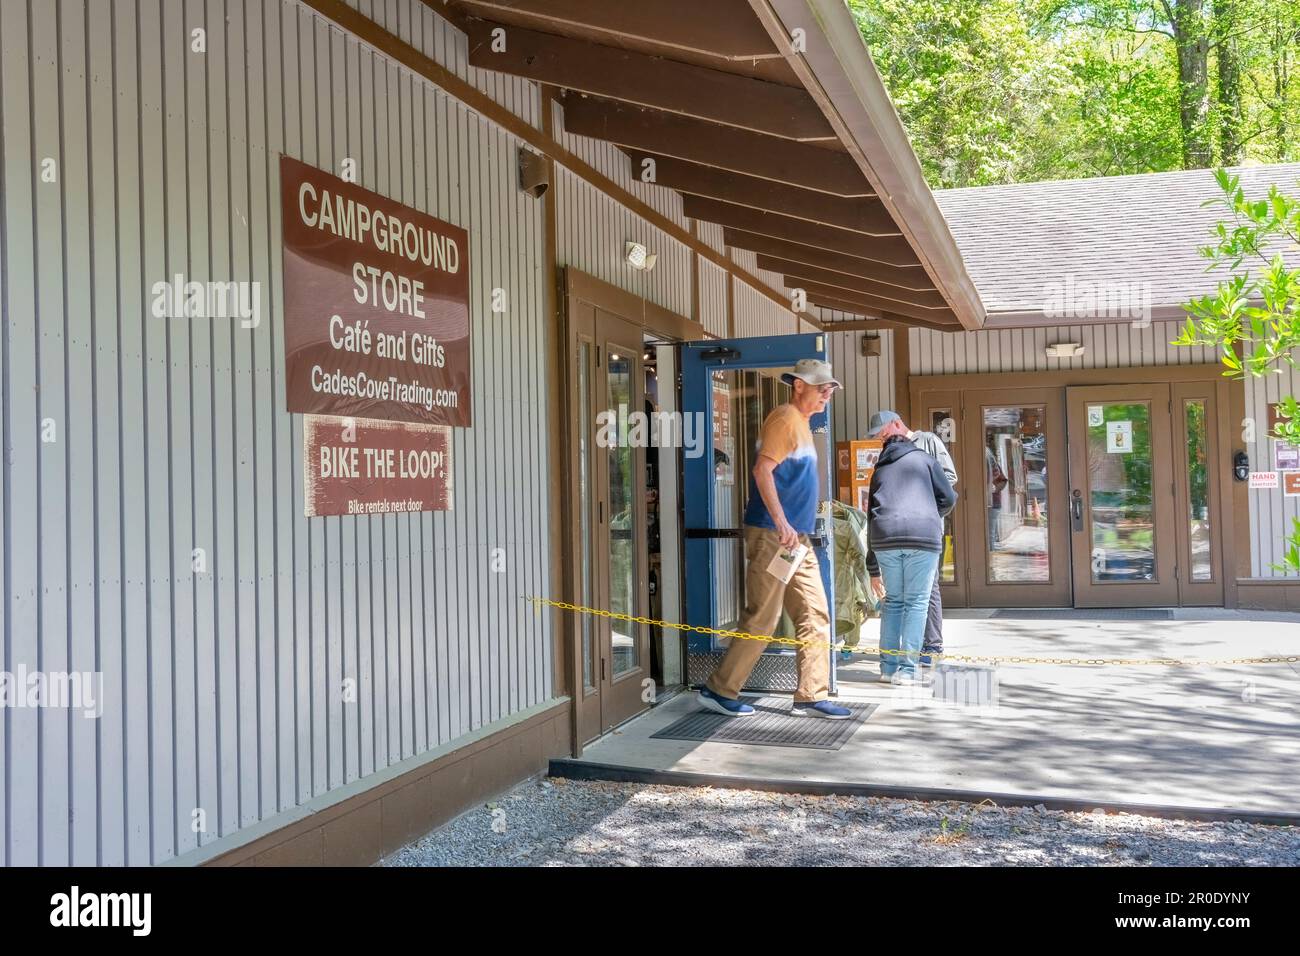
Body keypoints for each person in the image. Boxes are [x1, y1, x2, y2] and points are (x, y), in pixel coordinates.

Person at [697, 358, 853, 720]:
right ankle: (718, 690)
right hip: (774, 534)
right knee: (763, 618)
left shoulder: (803, 424)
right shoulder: (784, 419)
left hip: (795, 539)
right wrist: (782, 523)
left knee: (815, 613)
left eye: (830, 388)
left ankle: (810, 695)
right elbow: (761, 470)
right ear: (799, 385)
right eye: (821, 387)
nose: (827, 394)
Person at [864, 418, 957, 685]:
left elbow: (871, 516)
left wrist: (872, 566)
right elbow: (949, 497)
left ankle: (888, 668)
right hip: (922, 538)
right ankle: (907, 670)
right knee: (917, 603)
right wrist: (931, 513)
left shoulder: (879, 470)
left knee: (893, 602)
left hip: (885, 539)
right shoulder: (925, 460)